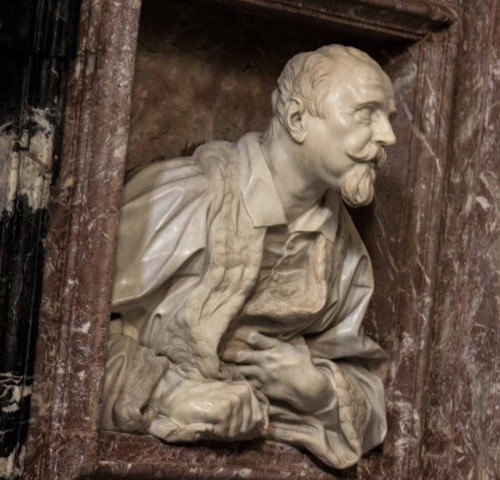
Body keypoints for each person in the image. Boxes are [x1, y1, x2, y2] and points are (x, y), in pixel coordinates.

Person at [102, 44, 396, 470]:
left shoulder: (345, 260)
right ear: (297, 119)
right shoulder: (179, 201)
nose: (388, 136)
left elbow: (368, 396)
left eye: (389, 118)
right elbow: (63, 339)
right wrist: (165, 392)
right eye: (367, 113)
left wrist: (315, 389)